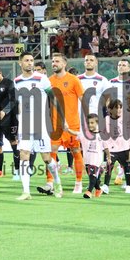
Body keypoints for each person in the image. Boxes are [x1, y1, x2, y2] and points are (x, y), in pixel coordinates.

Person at [14, 52, 55, 200]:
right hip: (25, 123)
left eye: (31, 60)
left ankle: (57, 182)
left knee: (46, 158)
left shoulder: (42, 79)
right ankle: (26, 192)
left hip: (41, 122)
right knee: (24, 154)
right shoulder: (17, 81)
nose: (30, 63)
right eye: (26, 60)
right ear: (20, 63)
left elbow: (53, 98)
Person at [46, 53, 84, 196]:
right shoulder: (48, 81)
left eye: (57, 61)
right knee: (51, 154)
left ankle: (78, 182)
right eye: (52, 61)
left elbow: (83, 100)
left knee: (76, 152)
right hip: (55, 125)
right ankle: (50, 183)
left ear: (64, 64)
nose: (54, 63)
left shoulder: (74, 80)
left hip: (72, 124)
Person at [104, 99, 130, 194]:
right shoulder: (106, 120)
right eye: (116, 108)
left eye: (120, 107)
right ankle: (105, 186)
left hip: (124, 148)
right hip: (112, 149)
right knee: (109, 166)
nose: (119, 110)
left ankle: (129, 185)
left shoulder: (125, 118)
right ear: (110, 109)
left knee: (127, 166)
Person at [79, 114, 110, 199]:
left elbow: (106, 148)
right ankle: (98, 189)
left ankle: (89, 191)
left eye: (92, 123)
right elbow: (77, 135)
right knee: (92, 176)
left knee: (92, 176)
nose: (90, 125)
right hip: (87, 159)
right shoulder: (85, 134)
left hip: (96, 160)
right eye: (88, 123)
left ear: (97, 123)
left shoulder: (101, 135)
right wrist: (68, 130)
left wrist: (109, 157)